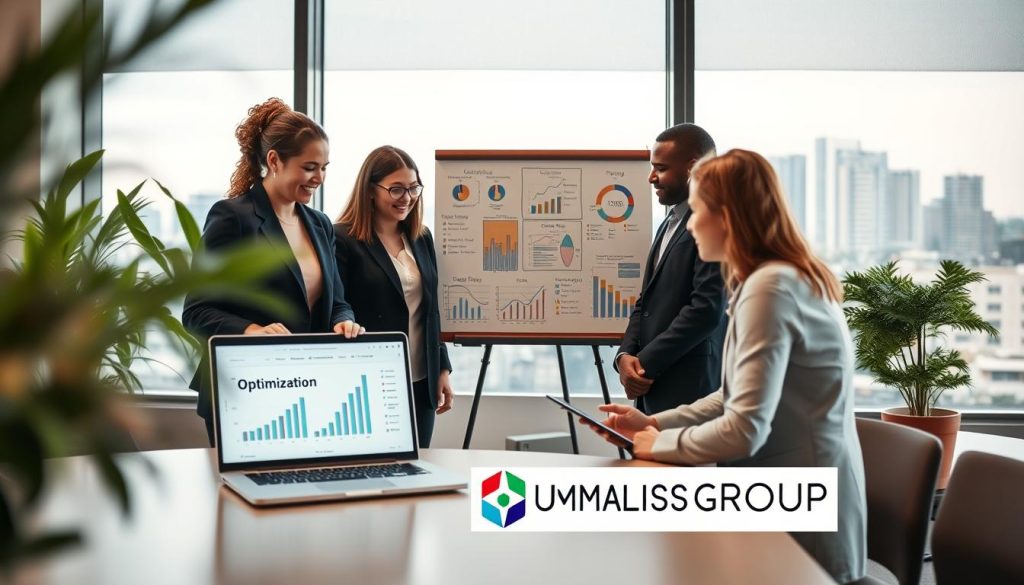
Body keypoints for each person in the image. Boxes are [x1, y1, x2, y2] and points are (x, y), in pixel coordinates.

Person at [588, 149, 867, 584]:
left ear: (726, 217)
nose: (691, 224)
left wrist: (656, 445)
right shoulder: (778, 278)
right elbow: (733, 394)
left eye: (698, 210)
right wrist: (654, 423)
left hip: (799, 517)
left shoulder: (771, 289)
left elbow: (744, 428)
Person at [183, 97, 361, 446]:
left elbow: (337, 301)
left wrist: (344, 320)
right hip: (243, 389)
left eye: (324, 168)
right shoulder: (233, 218)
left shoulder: (320, 225)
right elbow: (196, 311)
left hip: (305, 388)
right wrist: (250, 330)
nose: (319, 178)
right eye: (309, 167)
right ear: (275, 161)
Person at [334, 146, 453, 447]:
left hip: (421, 382)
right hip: (369, 380)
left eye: (413, 188)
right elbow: (337, 305)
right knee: (371, 466)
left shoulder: (421, 237)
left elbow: (430, 310)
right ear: (370, 190)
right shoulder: (342, 239)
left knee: (418, 464)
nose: (407, 198)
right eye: (396, 189)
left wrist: (442, 368)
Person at [615, 123, 727, 414]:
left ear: (693, 167)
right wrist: (625, 355)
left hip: (690, 390)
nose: (651, 177)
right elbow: (646, 302)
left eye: (661, 168)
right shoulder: (669, 221)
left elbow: (706, 310)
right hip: (653, 386)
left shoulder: (715, 221)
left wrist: (645, 364)